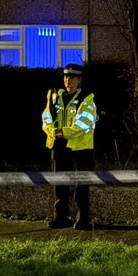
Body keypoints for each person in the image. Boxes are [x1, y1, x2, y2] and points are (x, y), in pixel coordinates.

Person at [41, 63, 98, 230]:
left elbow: (84, 123)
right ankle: (60, 217)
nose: (68, 80)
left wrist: (62, 132)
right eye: (66, 77)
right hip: (59, 146)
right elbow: (46, 117)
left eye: (72, 77)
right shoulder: (53, 96)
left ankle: (83, 219)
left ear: (79, 80)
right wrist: (52, 131)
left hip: (81, 147)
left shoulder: (87, 99)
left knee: (82, 184)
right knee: (60, 183)